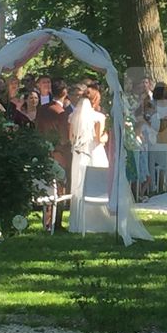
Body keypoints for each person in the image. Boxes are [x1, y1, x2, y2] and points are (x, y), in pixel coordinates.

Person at [69, 83, 111, 234]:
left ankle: (79, 220)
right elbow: (99, 139)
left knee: (79, 184)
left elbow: (71, 138)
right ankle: (99, 218)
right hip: (95, 153)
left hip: (79, 154)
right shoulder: (99, 117)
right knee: (99, 183)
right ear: (95, 100)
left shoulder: (73, 117)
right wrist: (107, 136)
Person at [36, 79, 72, 229]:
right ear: (65, 92)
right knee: (60, 188)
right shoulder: (61, 112)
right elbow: (64, 138)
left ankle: (46, 220)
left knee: (47, 186)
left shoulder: (42, 109)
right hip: (59, 153)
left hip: (43, 151)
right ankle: (56, 222)